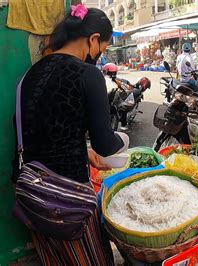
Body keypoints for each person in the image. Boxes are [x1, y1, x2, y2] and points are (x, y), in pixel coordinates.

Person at [11, 5, 128, 265]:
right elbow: (106, 145)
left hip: (31, 194)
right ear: (93, 39)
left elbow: (46, 130)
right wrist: (124, 141)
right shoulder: (88, 74)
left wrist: (83, 150)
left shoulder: (32, 73)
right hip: (66, 200)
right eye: (103, 48)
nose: (99, 55)